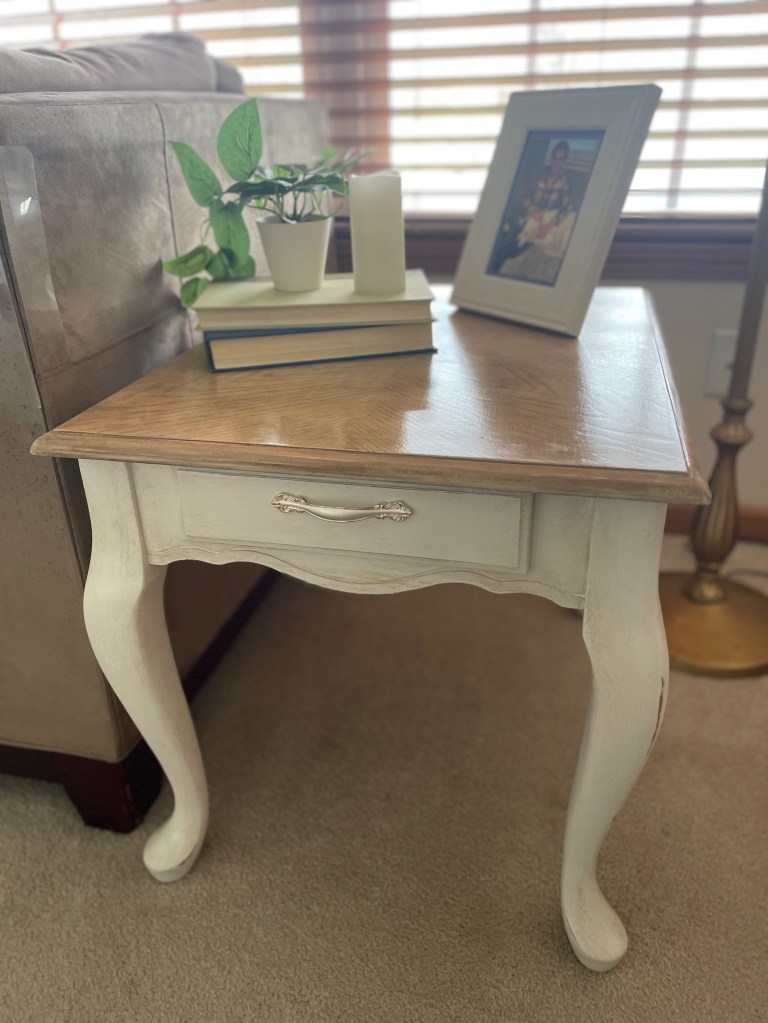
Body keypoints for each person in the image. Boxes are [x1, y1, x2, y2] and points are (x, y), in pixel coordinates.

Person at [489, 140, 574, 273]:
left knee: (569, 220)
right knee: (516, 236)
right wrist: (533, 210)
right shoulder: (538, 174)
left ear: (564, 161)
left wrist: (552, 223)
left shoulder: (564, 182)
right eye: (555, 158)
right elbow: (522, 197)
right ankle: (496, 265)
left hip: (546, 219)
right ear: (551, 158)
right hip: (529, 215)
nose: (557, 162)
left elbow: (568, 208)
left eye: (561, 159)